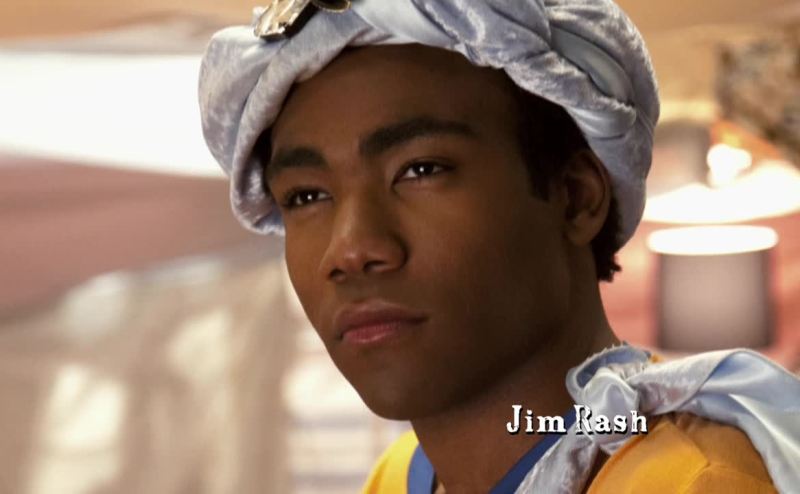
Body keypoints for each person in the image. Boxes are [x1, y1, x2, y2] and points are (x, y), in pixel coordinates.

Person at [198, 1, 800, 492]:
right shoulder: (402, 475)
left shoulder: (693, 483)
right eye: (305, 196)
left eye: (421, 169)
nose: (351, 250)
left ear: (575, 198)